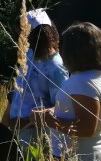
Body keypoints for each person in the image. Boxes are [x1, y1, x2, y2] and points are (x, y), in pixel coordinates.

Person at [31, 22, 101, 161]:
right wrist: (54, 110)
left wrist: (49, 121)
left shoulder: (82, 82)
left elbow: (86, 128)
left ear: (71, 51)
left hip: (82, 155)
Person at [9, 20, 68, 158]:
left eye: (25, 33)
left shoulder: (55, 66)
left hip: (37, 134)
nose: (21, 37)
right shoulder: (30, 55)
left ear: (37, 35)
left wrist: (33, 120)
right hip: (18, 129)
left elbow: (61, 105)